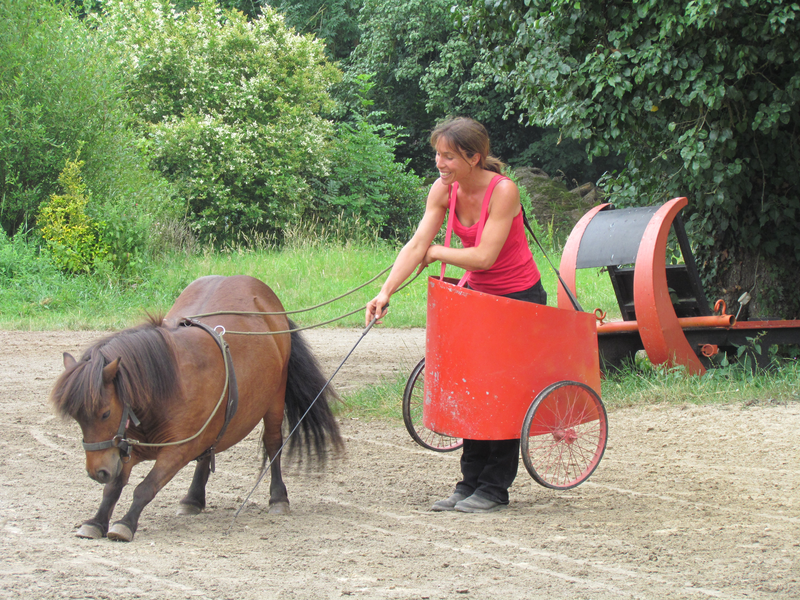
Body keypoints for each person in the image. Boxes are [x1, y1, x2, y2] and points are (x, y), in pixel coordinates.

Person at [365, 117, 547, 513]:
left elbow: (483, 257)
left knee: (501, 392)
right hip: (478, 297)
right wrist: (385, 292)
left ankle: (495, 487)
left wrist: (435, 253)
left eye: (448, 156)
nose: (439, 163)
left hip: (519, 298)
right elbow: (417, 243)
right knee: (473, 388)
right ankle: (469, 483)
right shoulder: (443, 190)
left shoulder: (504, 191)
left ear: (474, 157)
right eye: (438, 154)